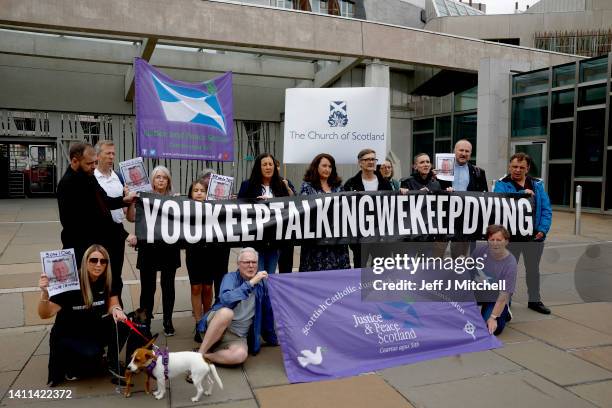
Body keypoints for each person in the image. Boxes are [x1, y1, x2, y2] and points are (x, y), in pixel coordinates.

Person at [38, 245, 128, 386]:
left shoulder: (108, 279)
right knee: (90, 359)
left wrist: (117, 310)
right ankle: (71, 364)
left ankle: (112, 360)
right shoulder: (71, 282)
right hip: (69, 333)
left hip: (92, 328)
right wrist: (44, 293)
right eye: (94, 260)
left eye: (103, 261)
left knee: (123, 323)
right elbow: (45, 314)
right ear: (85, 261)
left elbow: (113, 303)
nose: (98, 265)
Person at [56, 142, 136, 293]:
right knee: (84, 287)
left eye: (95, 162)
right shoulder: (67, 185)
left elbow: (104, 201)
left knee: (111, 280)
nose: (94, 166)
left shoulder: (89, 176)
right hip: (81, 247)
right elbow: (71, 222)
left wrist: (124, 200)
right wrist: (123, 234)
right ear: (74, 161)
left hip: (100, 240)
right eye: (89, 163)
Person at [196, 248, 277, 366]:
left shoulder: (262, 284)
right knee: (226, 313)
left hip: (237, 336)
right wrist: (250, 284)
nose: (251, 266)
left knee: (240, 356)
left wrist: (272, 339)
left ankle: (203, 357)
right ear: (238, 264)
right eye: (246, 262)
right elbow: (226, 299)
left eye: (254, 262)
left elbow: (267, 312)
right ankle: (200, 353)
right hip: (216, 327)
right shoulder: (230, 277)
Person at [494, 152, 552, 314]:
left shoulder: (537, 185)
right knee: (508, 270)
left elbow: (546, 209)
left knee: (533, 270)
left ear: (527, 168)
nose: (517, 170)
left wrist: (542, 229)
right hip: (511, 237)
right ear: (509, 167)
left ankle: (534, 300)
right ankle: (506, 301)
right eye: (514, 166)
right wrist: (522, 195)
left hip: (534, 237)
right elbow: (500, 203)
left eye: (521, 167)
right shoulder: (502, 184)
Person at [132, 165, 181, 335]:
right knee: (147, 288)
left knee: (168, 286)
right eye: (157, 177)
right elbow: (132, 218)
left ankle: (168, 320)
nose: (161, 180)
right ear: (152, 180)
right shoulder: (143, 198)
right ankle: (145, 322)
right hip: (148, 249)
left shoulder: (175, 199)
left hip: (169, 248)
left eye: (164, 177)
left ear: (168, 181)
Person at [186, 175, 230, 343]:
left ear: (208, 194)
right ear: (190, 194)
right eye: (195, 191)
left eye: (202, 191)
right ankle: (198, 323)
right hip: (193, 253)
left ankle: (207, 320)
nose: (199, 193)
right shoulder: (183, 208)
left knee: (207, 288)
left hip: (211, 253)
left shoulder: (216, 208)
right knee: (196, 288)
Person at [94, 140, 137, 303]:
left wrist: (131, 201)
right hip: (99, 234)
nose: (112, 157)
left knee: (116, 275)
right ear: (98, 156)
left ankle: (116, 310)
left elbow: (126, 213)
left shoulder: (119, 177)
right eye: (108, 153)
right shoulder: (92, 179)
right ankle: (100, 309)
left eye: (113, 153)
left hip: (117, 235)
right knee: (98, 274)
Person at [238, 153, 292, 274]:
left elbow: (290, 206)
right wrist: (255, 203)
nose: (268, 167)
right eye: (264, 164)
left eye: (270, 164)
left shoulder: (281, 185)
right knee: (256, 275)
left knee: (270, 275)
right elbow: (239, 208)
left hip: (274, 241)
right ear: (259, 167)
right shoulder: (248, 185)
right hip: (254, 240)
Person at [299, 153, 351, 272]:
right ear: (316, 167)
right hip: (315, 242)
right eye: (324, 166)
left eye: (330, 166)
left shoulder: (338, 187)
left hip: (336, 242)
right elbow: (303, 209)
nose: (327, 169)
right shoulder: (307, 186)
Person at [437, 140, 488, 257]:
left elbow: (484, 196)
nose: (463, 153)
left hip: (465, 219)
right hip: (443, 217)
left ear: (470, 154)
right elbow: (434, 189)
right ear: (454, 151)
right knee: (436, 255)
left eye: (467, 151)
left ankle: (456, 275)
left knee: (459, 257)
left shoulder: (478, 172)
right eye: (461, 150)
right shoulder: (442, 168)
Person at [343, 148, 392, 267]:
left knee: (381, 270)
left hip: (381, 236)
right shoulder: (350, 184)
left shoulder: (385, 184)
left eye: (373, 159)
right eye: (367, 159)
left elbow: (392, 206)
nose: (371, 162)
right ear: (360, 162)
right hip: (360, 237)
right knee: (360, 269)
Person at [471, 225, 517, 335]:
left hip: (496, 296)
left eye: (499, 240)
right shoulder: (479, 251)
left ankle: (504, 310)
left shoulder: (510, 264)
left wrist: (493, 317)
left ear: (506, 241)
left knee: (491, 329)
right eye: (492, 240)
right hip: (478, 290)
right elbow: (468, 272)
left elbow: (503, 294)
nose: (495, 243)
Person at [274, 158, 296, 273]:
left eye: (277, 166)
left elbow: (295, 200)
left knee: (286, 266)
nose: (276, 168)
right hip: (271, 231)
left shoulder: (286, 181)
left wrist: (287, 187)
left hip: (285, 230)